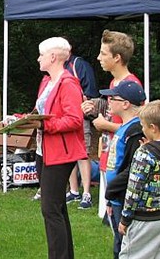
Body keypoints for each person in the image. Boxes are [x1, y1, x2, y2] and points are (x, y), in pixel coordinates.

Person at [20, 36, 87, 259]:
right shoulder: (47, 82)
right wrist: (19, 119)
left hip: (61, 153)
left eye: (41, 55)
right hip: (44, 151)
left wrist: (44, 125)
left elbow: (74, 120)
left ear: (52, 57)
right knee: (56, 208)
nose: (38, 59)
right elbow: (40, 112)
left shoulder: (68, 83)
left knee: (50, 209)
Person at [82, 30, 141, 220]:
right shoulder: (114, 82)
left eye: (103, 53)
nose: (98, 57)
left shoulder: (131, 85)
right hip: (109, 156)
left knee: (118, 221)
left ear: (117, 58)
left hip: (121, 161)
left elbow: (137, 129)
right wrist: (94, 108)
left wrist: (105, 125)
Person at [99, 81, 146, 258]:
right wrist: (110, 201)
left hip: (124, 198)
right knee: (118, 244)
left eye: (112, 98)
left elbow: (131, 169)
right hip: (116, 199)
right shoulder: (124, 128)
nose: (108, 101)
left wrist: (112, 192)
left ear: (125, 104)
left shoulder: (135, 132)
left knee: (127, 248)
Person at [118, 100, 160, 259]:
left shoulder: (144, 154)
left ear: (153, 128)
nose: (141, 129)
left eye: (142, 125)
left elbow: (134, 190)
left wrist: (125, 219)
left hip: (143, 219)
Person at [64, 47, 100, 210]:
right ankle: (73, 190)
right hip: (65, 117)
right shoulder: (59, 67)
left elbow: (91, 93)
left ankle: (86, 193)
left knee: (82, 153)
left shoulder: (79, 65)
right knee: (69, 153)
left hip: (80, 116)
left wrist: (83, 101)